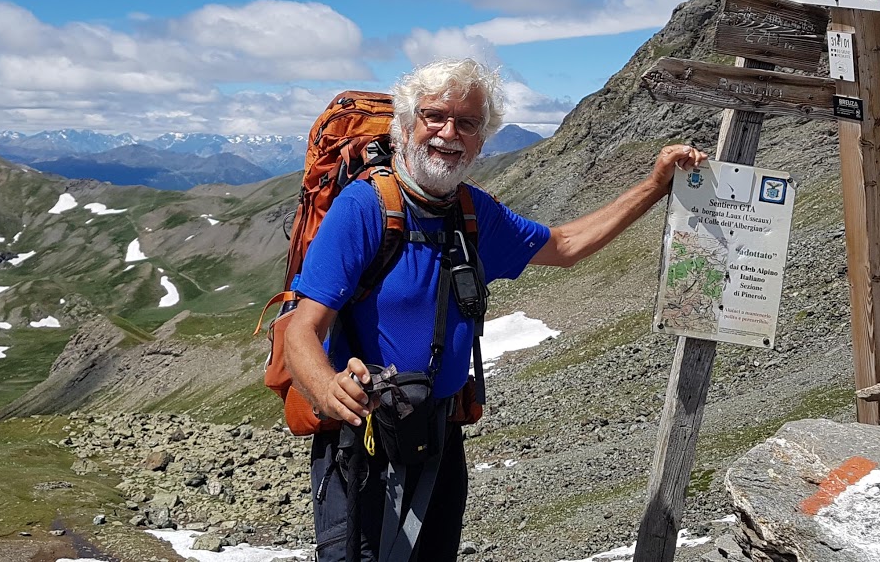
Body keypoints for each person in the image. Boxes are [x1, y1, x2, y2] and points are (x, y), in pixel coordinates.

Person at [284, 58, 707, 562]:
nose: (449, 133)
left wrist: (656, 185)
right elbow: (301, 329)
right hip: (366, 444)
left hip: (439, 442)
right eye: (434, 116)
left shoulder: (472, 211)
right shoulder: (363, 208)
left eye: (467, 123)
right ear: (405, 125)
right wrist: (327, 388)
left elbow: (565, 246)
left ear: (481, 140)